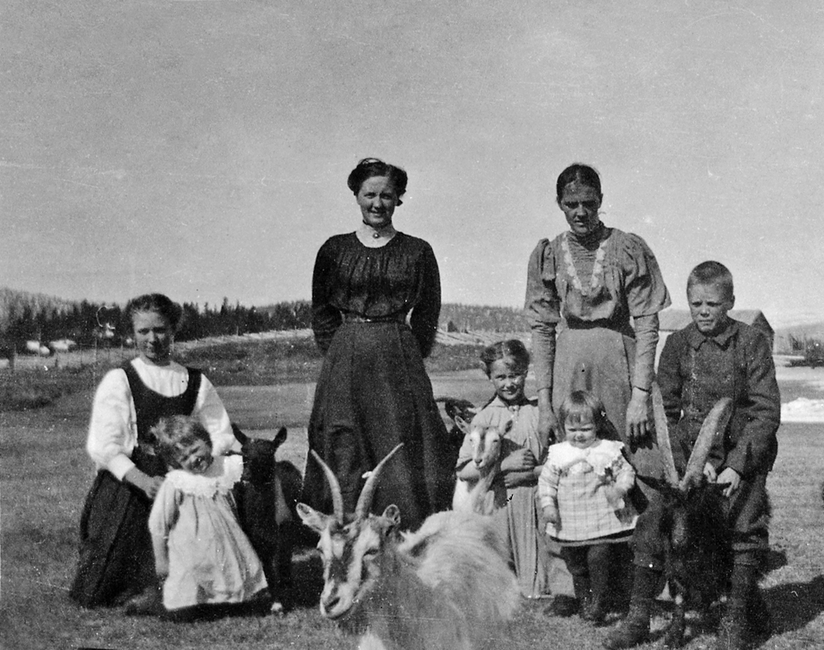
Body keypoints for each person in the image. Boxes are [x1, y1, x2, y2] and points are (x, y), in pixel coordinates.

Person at [606, 261, 780, 650]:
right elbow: (664, 412)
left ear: (730, 302)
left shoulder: (751, 343)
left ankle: (736, 617)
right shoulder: (678, 344)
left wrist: (735, 465)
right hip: (688, 464)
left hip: (741, 457)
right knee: (654, 524)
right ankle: (638, 617)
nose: (703, 311)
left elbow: (765, 412)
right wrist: (682, 465)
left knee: (743, 525)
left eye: (713, 304)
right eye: (696, 303)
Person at [525, 163, 672, 615]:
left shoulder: (628, 248)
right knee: (569, 467)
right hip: (570, 367)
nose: (581, 212)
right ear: (559, 205)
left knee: (636, 466)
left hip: (620, 366)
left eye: (589, 203)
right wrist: (547, 400)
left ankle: (640, 583)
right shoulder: (548, 254)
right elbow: (542, 329)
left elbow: (648, 324)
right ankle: (575, 588)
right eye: (571, 204)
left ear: (600, 200)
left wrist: (641, 393)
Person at [301, 157, 457, 526]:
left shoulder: (417, 251)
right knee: (345, 441)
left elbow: (426, 315)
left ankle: (403, 528)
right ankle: (344, 530)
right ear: (356, 195)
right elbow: (322, 313)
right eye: (369, 194)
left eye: (387, 195)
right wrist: (342, 351)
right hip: (346, 357)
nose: (377, 203)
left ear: (399, 199)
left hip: (397, 357)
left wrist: (401, 351)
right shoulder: (334, 250)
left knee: (400, 438)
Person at [69, 293, 236, 613]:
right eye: (143, 331)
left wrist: (196, 468)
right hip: (131, 486)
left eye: (160, 329)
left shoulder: (196, 381)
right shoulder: (120, 379)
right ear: (132, 333)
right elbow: (103, 446)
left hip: (184, 478)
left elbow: (220, 434)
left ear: (173, 329)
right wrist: (142, 480)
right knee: (101, 588)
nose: (152, 339)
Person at [455, 339, 550, 599]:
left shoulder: (540, 412)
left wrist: (534, 472)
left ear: (526, 373)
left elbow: (555, 458)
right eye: (501, 377)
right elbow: (464, 470)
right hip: (500, 500)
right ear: (490, 378)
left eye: (515, 375)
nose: (509, 383)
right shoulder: (485, 418)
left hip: (537, 500)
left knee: (538, 576)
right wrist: (504, 465)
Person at [149, 415, 268, 618]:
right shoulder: (177, 481)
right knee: (189, 595)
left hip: (230, 543)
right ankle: (190, 606)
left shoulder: (228, 466)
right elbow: (159, 522)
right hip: (192, 552)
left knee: (233, 575)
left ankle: (234, 602)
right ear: (175, 464)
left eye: (195, 450)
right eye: (184, 458)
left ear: (207, 441)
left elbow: (263, 476)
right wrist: (161, 559)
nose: (193, 459)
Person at [538, 390, 637, 625]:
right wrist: (548, 506)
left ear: (597, 426)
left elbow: (627, 472)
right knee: (576, 564)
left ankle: (600, 601)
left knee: (599, 557)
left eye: (586, 429)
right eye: (573, 430)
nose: (579, 436)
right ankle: (585, 600)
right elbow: (546, 484)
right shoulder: (559, 455)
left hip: (602, 518)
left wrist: (620, 489)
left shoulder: (606, 449)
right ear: (563, 429)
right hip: (571, 522)